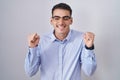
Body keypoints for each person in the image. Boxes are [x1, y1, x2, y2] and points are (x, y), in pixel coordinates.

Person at [24, 3, 97, 80]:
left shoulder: (82, 39)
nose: (61, 22)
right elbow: (30, 72)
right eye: (57, 18)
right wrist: (32, 48)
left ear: (71, 21)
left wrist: (89, 48)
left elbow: (89, 72)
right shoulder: (40, 41)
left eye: (65, 18)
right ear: (51, 21)